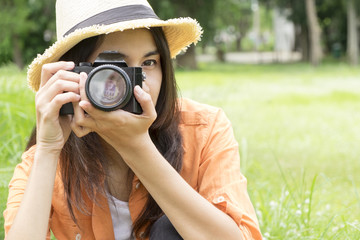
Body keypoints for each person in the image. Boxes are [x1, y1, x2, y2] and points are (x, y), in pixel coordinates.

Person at [3, 0, 263, 239]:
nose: (139, 81)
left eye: (149, 62)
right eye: (116, 66)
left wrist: (137, 147)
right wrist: (48, 150)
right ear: (75, 74)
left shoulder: (204, 129)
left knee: (168, 229)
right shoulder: (50, 153)